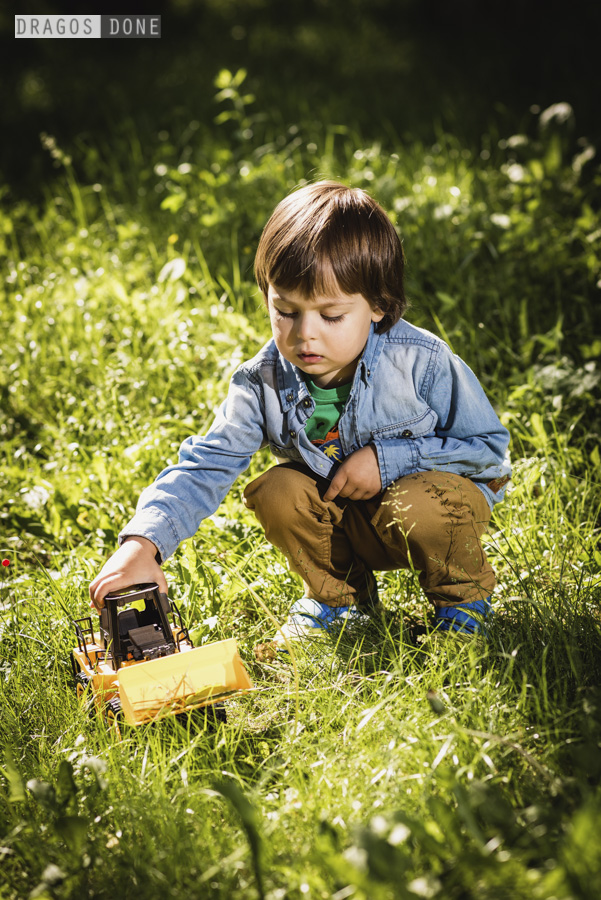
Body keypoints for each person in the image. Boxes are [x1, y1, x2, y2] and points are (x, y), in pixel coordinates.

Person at [90, 181, 511, 642]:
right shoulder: (262, 380)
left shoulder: (422, 362)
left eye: (331, 316)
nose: (305, 335)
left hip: (427, 515)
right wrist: (143, 542)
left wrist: (389, 460)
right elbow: (207, 461)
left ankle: (462, 600)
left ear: (378, 305)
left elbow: (487, 452)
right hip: (346, 520)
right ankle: (341, 599)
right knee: (278, 489)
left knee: (423, 503)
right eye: (285, 311)